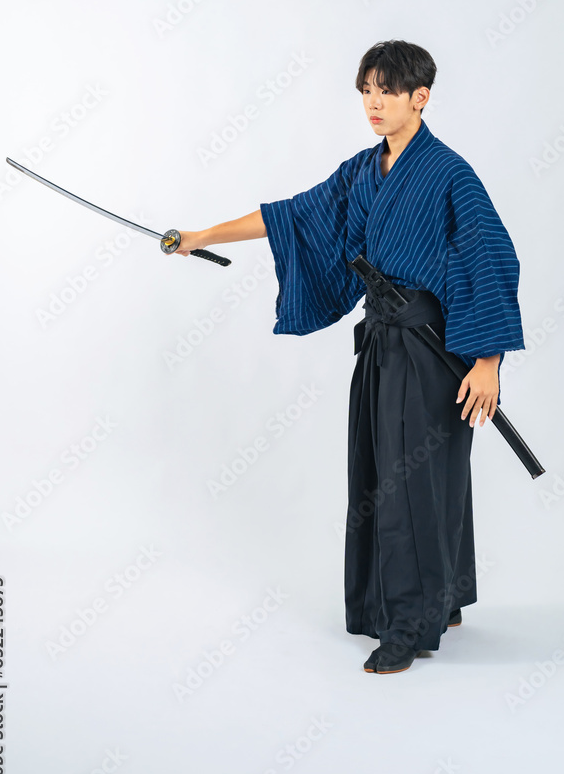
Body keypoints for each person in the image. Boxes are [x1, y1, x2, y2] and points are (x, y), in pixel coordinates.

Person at [173, 40, 525, 674]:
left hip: (434, 351)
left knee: (416, 480)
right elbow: (292, 215)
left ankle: (407, 626)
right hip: (382, 345)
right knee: (385, 472)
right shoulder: (362, 171)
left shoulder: (450, 173)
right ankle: (440, 598)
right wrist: (202, 235)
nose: (373, 102)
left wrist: (488, 362)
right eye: (366, 90)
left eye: (387, 90)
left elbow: (491, 256)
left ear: (420, 97)